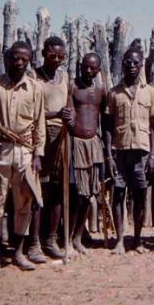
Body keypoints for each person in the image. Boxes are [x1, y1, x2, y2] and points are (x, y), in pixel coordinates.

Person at [0, 41, 46, 270]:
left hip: (26, 152)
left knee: (24, 202)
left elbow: (39, 124)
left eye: (24, 59)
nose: (19, 62)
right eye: (15, 58)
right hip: (0, 149)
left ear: (29, 60)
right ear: (7, 57)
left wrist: (38, 154)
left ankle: (19, 252)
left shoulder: (35, 88)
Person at [104, 47, 154, 254]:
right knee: (118, 194)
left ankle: (137, 239)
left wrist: (153, 154)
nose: (132, 66)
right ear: (122, 65)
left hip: (142, 153)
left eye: (136, 63)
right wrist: (109, 154)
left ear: (141, 64)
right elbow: (107, 126)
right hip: (119, 152)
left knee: (140, 195)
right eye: (128, 62)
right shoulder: (113, 93)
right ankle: (120, 239)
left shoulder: (151, 92)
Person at [63, 52, 107, 254]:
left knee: (89, 194)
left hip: (93, 146)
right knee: (76, 194)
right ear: (80, 66)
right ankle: (68, 238)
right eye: (85, 67)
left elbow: (104, 119)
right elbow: (69, 112)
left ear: (98, 69)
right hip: (76, 144)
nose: (89, 70)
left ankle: (78, 237)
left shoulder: (101, 90)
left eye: (93, 67)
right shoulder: (72, 87)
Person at [33, 36, 69, 259]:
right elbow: (32, 112)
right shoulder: (35, 77)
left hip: (61, 136)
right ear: (44, 53)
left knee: (57, 189)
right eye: (52, 55)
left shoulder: (64, 77)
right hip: (41, 135)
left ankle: (51, 238)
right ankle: (34, 241)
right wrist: (56, 114)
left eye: (61, 56)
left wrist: (68, 116)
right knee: (40, 189)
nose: (56, 60)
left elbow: (69, 104)